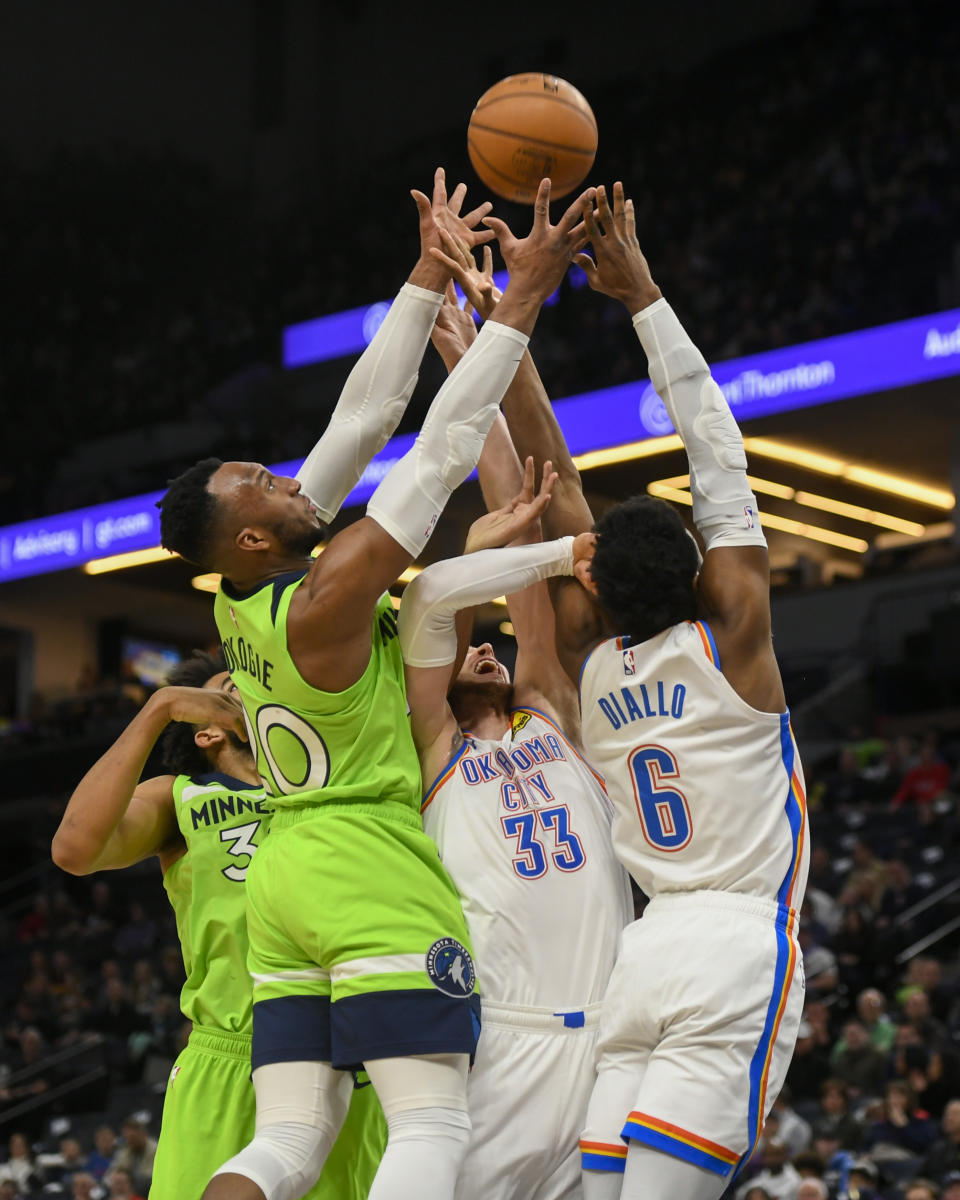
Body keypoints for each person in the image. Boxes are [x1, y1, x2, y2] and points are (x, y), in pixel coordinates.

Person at [157, 171, 593, 1200]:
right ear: (255, 536)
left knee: (289, 1147)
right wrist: (519, 300)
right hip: (364, 864)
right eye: (265, 485)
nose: (289, 479)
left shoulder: (243, 595)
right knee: (432, 1128)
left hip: (284, 879)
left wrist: (424, 273)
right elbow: (436, 449)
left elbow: (364, 411)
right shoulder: (330, 596)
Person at [425, 181, 809, 1200]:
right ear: (697, 569)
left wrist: (511, 330)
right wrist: (642, 296)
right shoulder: (734, 640)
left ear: (590, 577)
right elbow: (716, 451)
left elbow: (546, 488)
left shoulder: (585, 669)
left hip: (637, 963)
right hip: (731, 944)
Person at [400, 281, 631, 1199]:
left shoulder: (549, 710)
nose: (493, 648)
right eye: (474, 647)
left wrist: (481, 367)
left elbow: (523, 513)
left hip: (616, 1039)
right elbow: (441, 599)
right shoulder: (428, 749)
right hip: (507, 1039)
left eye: (497, 644)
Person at [51, 652, 384, 1199]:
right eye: (234, 685)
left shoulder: (345, 788)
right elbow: (73, 848)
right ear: (206, 732)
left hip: (349, 1055)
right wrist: (158, 708)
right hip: (232, 1058)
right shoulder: (181, 795)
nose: (258, 686)